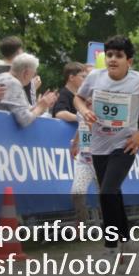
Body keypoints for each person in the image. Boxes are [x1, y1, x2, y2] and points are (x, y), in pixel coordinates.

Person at [74, 35, 139, 276]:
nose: (113, 59)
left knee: (107, 192)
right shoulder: (95, 77)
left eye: (118, 56)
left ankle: (110, 249)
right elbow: (78, 98)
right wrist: (84, 111)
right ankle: (127, 241)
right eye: (110, 55)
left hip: (125, 144)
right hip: (99, 144)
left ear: (129, 61)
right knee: (113, 193)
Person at [53, 62, 95, 223]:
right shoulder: (82, 111)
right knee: (77, 192)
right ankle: (82, 224)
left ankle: (117, 233)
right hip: (85, 160)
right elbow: (81, 125)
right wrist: (76, 143)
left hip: (101, 160)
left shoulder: (102, 112)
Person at [0, 52, 57, 128]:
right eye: (33, 74)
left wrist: (41, 104)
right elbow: (25, 119)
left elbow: (22, 110)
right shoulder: (13, 84)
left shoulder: (1, 76)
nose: (32, 78)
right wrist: (40, 107)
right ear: (26, 73)